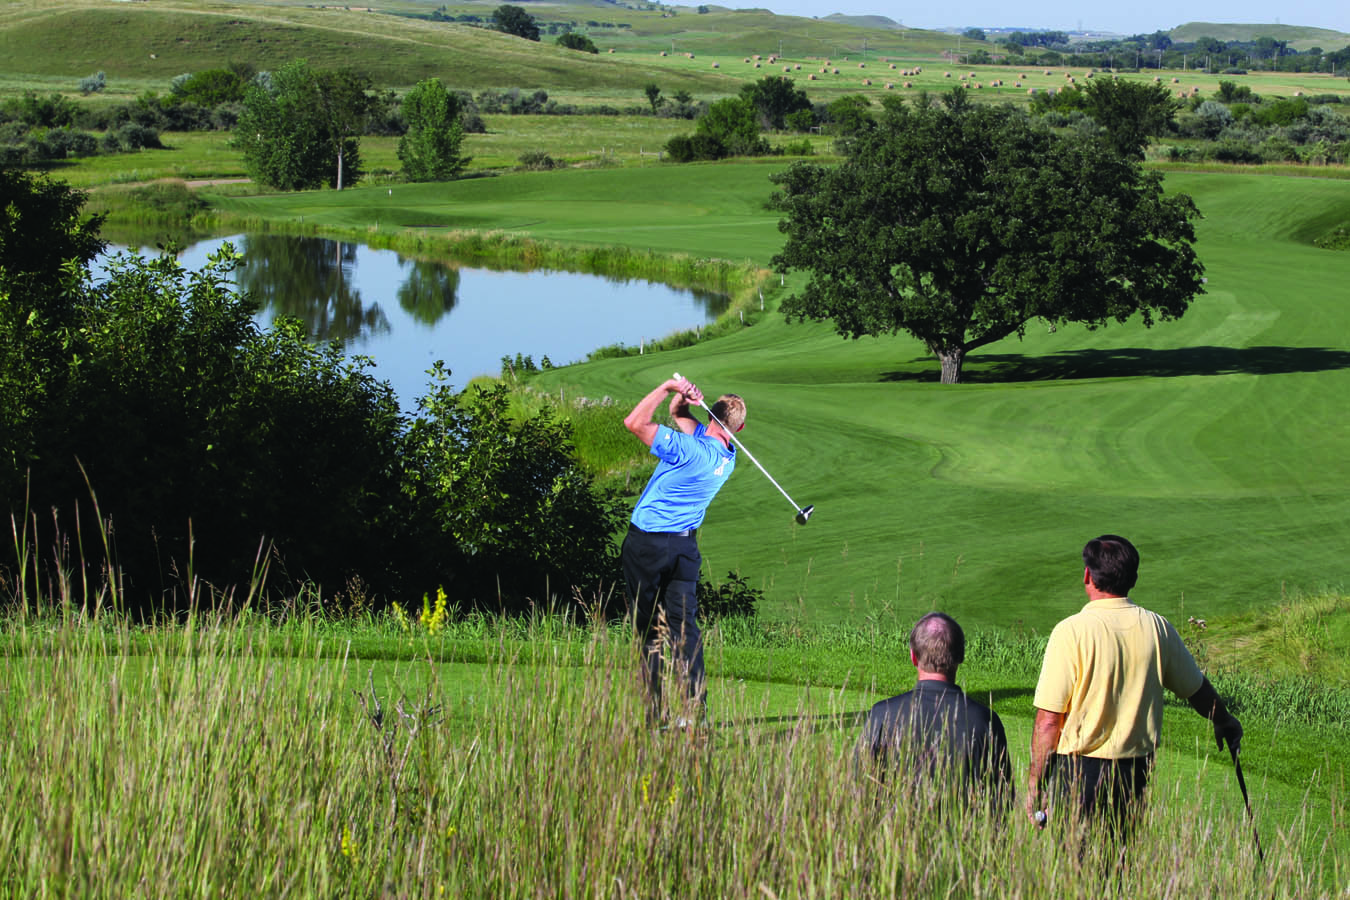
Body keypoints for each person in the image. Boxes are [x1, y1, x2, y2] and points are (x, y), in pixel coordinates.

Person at [1026, 535, 1243, 842]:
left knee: (1075, 871)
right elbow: (1197, 690)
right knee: (1118, 862)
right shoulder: (1157, 627)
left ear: (1087, 575)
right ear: (1133, 579)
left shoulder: (1070, 631)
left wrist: (1036, 780)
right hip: (1134, 772)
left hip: (1078, 771)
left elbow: (1049, 721)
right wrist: (1224, 720)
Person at [621, 375, 743, 722]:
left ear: (711, 418)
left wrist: (666, 388)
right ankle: (695, 710)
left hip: (648, 545)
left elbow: (634, 422)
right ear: (739, 427)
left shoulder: (688, 449)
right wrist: (685, 400)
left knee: (646, 631)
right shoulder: (726, 455)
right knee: (684, 629)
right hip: (684, 551)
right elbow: (680, 417)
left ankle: (655, 713)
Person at [860, 612, 1013, 809]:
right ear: (961, 656)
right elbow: (1002, 800)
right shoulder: (986, 721)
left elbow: (860, 788)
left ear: (913, 657)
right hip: (963, 837)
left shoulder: (882, 715)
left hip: (894, 835)